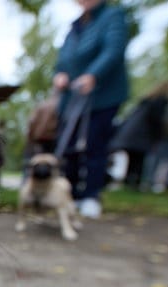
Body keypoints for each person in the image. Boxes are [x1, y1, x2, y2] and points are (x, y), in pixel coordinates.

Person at [53, 0, 130, 218]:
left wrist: (93, 75)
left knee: (94, 145)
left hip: (101, 97)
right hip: (72, 98)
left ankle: (90, 196)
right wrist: (59, 75)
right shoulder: (75, 25)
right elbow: (63, 59)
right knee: (69, 147)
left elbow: (113, 50)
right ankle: (71, 195)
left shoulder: (112, 16)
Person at [109, 82, 168, 188]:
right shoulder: (160, 102)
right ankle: (134, 183)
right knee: (139, 160)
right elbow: (156, 121)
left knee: (133, 160)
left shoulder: (147, 101)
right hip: (140, 136)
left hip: (130, 134)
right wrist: (159, 136)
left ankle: (130, 182)